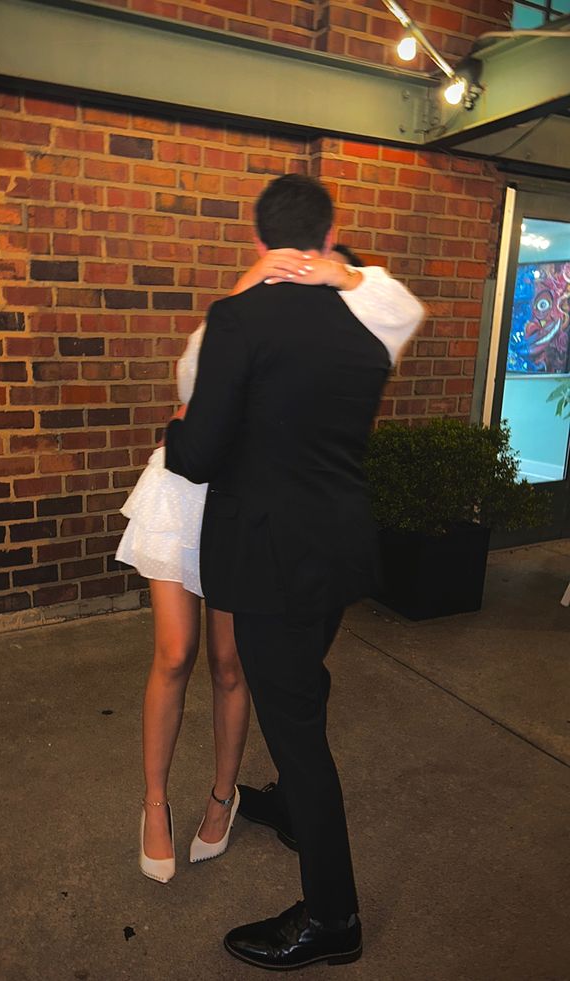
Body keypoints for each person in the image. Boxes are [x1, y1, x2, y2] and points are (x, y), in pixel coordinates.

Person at [117, 207, 423, 888]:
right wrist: (245, 286)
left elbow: (394, 308)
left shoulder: (343, 322)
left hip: (244, 511)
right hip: (189, 493)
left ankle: (223, 800)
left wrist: (339, 272)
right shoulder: (243, 316)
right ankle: (155, 804)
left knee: (233, 665)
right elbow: (193, 388)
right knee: (174, 654)